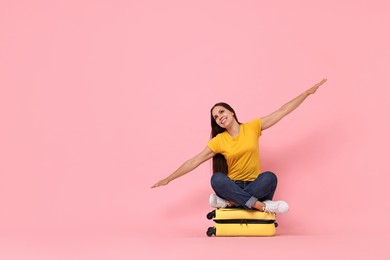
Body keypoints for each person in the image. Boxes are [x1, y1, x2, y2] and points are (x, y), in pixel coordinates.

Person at [151, 79, 327, 214]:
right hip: (232, 185)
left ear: (231, 112)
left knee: (270, 178)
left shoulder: (252, 127)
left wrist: (307, 93)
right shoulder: (219, 140)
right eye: (215, 117)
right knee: (217, 179)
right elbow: (194, 161)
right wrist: (169, 178)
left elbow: (282, 111)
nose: (219, 117)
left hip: (254, 185)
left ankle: (232, 203)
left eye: (221, 112)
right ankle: (260, 205)